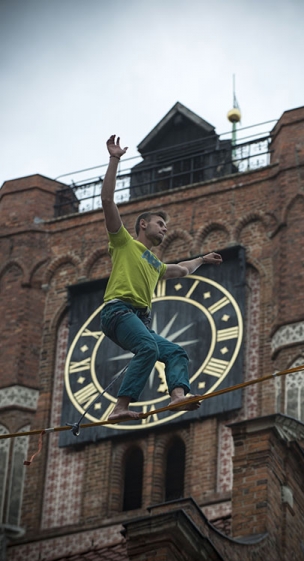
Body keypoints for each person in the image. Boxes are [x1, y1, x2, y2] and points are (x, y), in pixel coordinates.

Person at [100, 135, 223, 421]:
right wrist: (114, 159)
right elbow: (107, 201)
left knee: (175, 352)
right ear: (143, 224)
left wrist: (201, 260)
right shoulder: (124, 243)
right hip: (118, 311)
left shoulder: (155, 264)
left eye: (166, 226)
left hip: (138, 320)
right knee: (148, 347)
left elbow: (181, 270)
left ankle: (178, 397)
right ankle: (120, 407)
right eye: (160, 223)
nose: (165, 229)